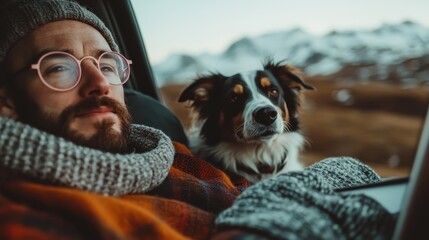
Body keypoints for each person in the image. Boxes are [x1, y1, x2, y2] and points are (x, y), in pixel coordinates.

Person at [0, 0, 397, 239]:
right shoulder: (23, 212)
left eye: (107, 64)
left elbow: (247, 197)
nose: (99, 84)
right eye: (58, 68)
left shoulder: (171, 155)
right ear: (7, 101)